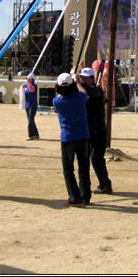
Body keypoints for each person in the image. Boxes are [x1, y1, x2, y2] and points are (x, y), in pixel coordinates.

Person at [52, 73, 91, 207]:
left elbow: (59, 95)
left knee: (68, 169)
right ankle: (85, 196)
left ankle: (75, 197)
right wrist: (78, 82)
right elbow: (83, 92)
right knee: (84, 168)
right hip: (83, 136)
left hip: (68, 138)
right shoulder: (80, 98)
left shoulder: (57, 101)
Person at [77, 67, 113, 195]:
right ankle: (100, 184)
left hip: (98, 131)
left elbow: (92, 92)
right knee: (87, 159)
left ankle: (105, 184)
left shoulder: (96, 90)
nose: (82, 79)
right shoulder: (82, 90)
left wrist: (80, 83)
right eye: (82, 77)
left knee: (96, 159)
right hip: (88, 130)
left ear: (92, 78)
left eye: (85, 77)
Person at [22, 73, 40, 140]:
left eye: (28, 79)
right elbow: (20, 92)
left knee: (30, 120)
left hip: (33, 105)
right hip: (27, 105)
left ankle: (31, 135)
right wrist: (22, 87)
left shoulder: (34, 86)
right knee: (31, 120)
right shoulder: (26, 86)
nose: (27, 80)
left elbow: (32, 90)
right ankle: (36, 134)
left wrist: (29, 83)